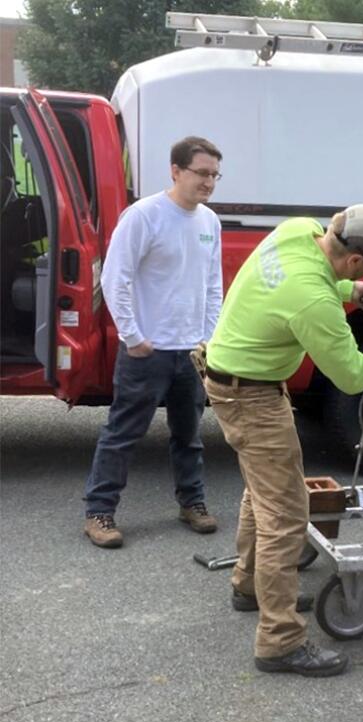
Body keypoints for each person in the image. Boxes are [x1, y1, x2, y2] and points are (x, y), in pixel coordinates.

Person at [204, 205, 363, 678]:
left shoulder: (299, 231)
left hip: (236, 378)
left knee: (265, 491)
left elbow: (317, 281)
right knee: (286, 514)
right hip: (251, 396)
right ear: (357, 259)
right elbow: (353, 374)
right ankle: (280, 640)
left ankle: (250, 586)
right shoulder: (313, 302)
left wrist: (352, 291)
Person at [83, 136, 224, 549]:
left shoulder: (208, 222)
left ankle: (192, 503)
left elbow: (212, 285)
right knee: (123, 433)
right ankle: (98, 512)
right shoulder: (144, 216)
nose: (209, 183)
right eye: (201, 173)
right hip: (148, 351)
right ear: (176, 170)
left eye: (214, 175)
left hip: (191, 351)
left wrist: (208, 339)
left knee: (189, 434)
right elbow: (115, 278)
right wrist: (133, 336)